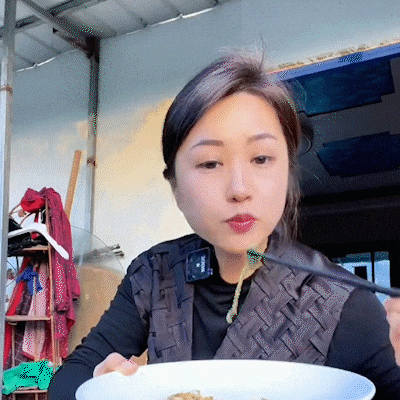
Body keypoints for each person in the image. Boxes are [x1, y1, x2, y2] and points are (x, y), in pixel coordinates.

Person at [48, 53, 400, 399]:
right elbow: (68, 379)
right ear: (175, 187)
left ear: (287, 171)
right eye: (210, 163)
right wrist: (98, 386)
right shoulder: (153, 276)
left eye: (261, 158)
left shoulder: (347, 303)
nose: (239, 189)